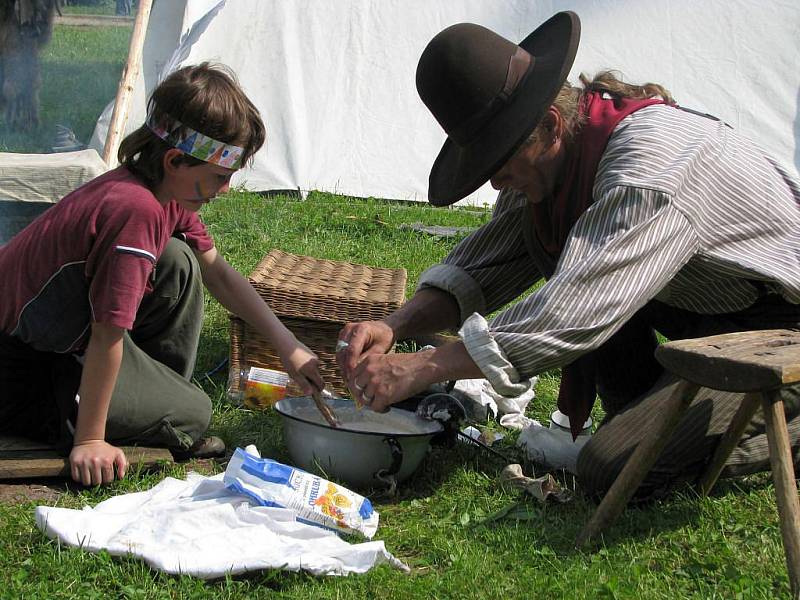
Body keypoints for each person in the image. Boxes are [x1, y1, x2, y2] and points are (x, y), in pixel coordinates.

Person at [336, 11, 800, 500]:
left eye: (500, 159)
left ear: (552, 124)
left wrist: (426, 365)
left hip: (779, 330)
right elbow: (487, 263)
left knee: (613, 470)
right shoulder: (559, 162)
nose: (494, 182)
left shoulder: (647, 170)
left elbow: (576, 309)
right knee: (555, 249)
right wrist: (396, 324)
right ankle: (646, 414)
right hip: (707, 317)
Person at [0, 63, 324, 487]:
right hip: (25, 371)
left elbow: (219, 274)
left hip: (61, 345)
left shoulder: (159, 190)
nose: (224, 190)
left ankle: (146, 399)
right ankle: (104, 414)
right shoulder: (135, 212)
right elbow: (107, 335)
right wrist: (90, 441)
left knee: (179, 260)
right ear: (175, 160)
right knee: (193, 413)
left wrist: (290, 347)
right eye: (219, 177)